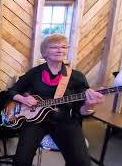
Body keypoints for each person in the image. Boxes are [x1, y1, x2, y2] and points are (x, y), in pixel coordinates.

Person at [8, 33, 104, 166]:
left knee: (81, 162)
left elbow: (81, 111)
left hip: (65, 120)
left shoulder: (77, 76)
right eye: (54, 47)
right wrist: (24, 100)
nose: (60, 50)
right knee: (21, 161)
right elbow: (12, 91)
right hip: (36, 121)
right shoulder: (34, 73)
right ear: (44, 52)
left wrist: (88, 105)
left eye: (64, 47)